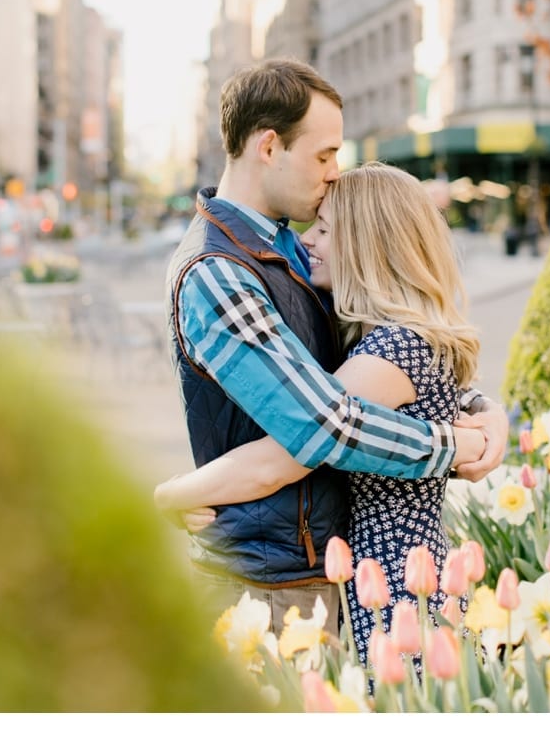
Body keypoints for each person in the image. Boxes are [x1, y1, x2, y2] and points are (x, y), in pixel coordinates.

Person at [155, 58, 507, 637]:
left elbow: (375, 359)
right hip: (267, 583)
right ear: (269, 146)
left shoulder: (289, 249)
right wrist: (454, 442)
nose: (334, 172)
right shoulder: (218, 272)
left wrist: (474, 406)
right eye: (324, 155)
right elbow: (325, 426)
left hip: (323, 570)